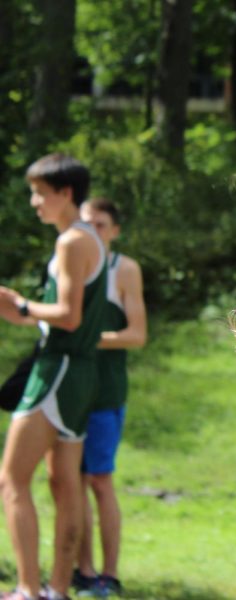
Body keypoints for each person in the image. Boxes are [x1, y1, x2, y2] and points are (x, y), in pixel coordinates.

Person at [0, 154, 107, 600]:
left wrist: (21, 307)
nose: (33, 202)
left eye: (40, 193)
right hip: (80, 373)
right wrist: (26, 316)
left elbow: (68, 315)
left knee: (11, 479)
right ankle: (57, 590)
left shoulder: (70, 243)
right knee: (64, 483)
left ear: (65, 194)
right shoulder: (89, 238)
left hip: (59, 368)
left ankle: (27, 590)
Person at [71, 199, 146, 598]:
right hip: (68, 391)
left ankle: (109, 574)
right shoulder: (70, 263)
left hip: (104, 391)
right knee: (71, 482)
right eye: (85, 225)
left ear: (114, 230)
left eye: (100, 225)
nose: (92, 232)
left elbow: (137, 334)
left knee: (99, 480)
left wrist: (86, 338)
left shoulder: (124, 269)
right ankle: (81, 570)